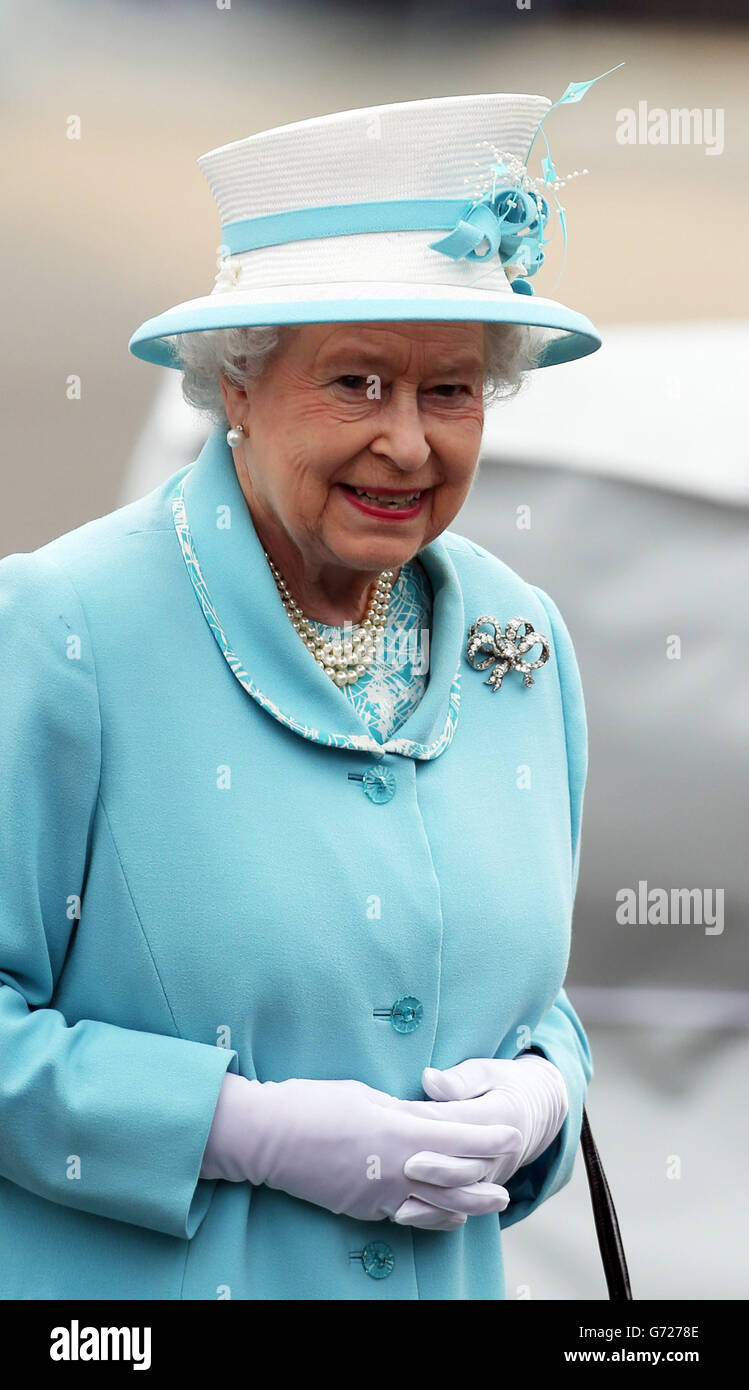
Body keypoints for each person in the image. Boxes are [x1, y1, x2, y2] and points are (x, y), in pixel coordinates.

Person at [0, 87, 601, 1300]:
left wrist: (546, 1087)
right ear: (234, 383)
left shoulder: (516, 639)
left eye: (449, 391)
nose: (409, 445)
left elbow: (519, 996)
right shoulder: (65, 627)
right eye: (357, 383)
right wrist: (238, 1127)